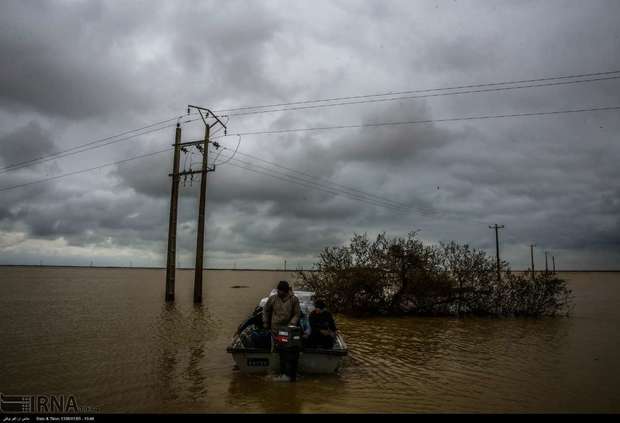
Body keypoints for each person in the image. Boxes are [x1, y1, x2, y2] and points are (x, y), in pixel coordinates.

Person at [263, 280, 301, 381]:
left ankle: (286, 373)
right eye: (278, 290)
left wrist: (292, 324)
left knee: (286, 351)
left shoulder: (294, 299)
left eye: (281, 291)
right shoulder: (273, 298)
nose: (279, 292)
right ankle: (277, 370)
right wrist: (265, 322)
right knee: (275, 348)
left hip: (287, 331)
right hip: (274, 329)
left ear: (286, 291)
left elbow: (297, 314)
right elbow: (265, 310)